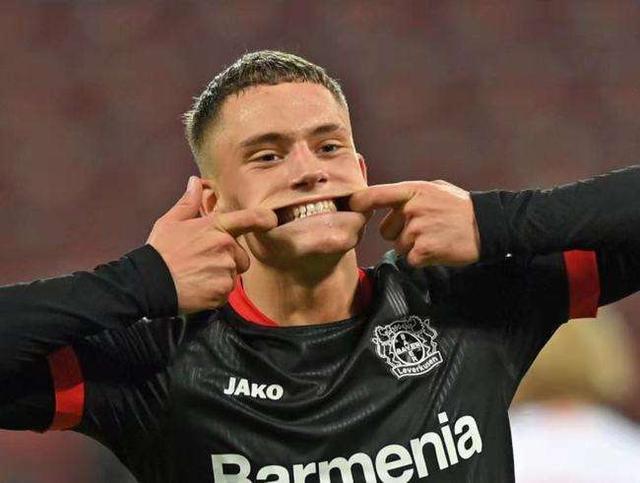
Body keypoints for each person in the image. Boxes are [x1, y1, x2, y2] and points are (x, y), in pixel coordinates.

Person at [0, 50, 639, 483]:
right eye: (268, 156)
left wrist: (494, 221)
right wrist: (143, 281)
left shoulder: (462, 306)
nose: (309, 171)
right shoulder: (161, 365)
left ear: (360, 171)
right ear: (215, 205)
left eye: (329, 146)